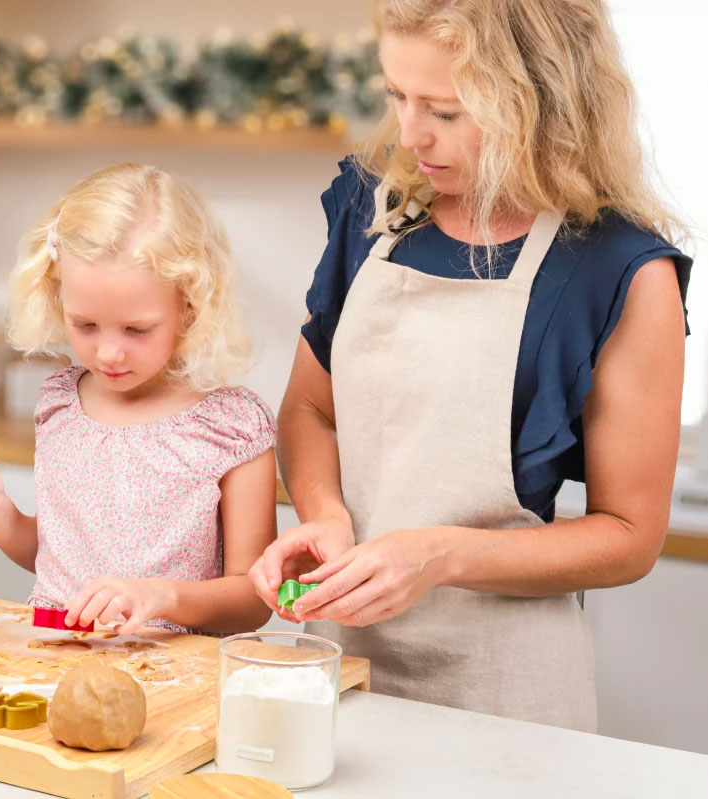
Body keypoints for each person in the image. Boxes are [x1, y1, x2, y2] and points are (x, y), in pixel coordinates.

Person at [249, 0, 692, 731]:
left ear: (544, 105)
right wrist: (324, 514)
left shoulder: (616, 269)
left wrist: (438, 555)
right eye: (397, 96)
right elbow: (308, 410)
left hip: (505, 694)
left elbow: (627, 534)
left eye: (446, 112)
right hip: (337, 662)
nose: (410, 134)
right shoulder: (372, 217)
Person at [0, 163, 277, 636]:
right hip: (54, 662)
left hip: (173, 678)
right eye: (85, 325)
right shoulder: (58, 403)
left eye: (137, 329)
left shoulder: (231, 426)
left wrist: (160, 595)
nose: (108, 352)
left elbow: (253, 600)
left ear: (190, 306)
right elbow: (57, 559)